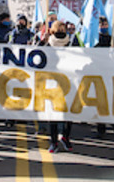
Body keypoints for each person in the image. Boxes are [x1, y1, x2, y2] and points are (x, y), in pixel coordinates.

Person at [43, 20, 74, 153]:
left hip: (69, 80)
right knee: (53, 114)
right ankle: (53, 141)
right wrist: (42, 41)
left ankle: (65, 137)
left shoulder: (71, 42)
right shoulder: (48, 43)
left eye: (63, 28)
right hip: (52, 82)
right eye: (59, 28)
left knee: (69, 113)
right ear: (53, 30)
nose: (61, 30)